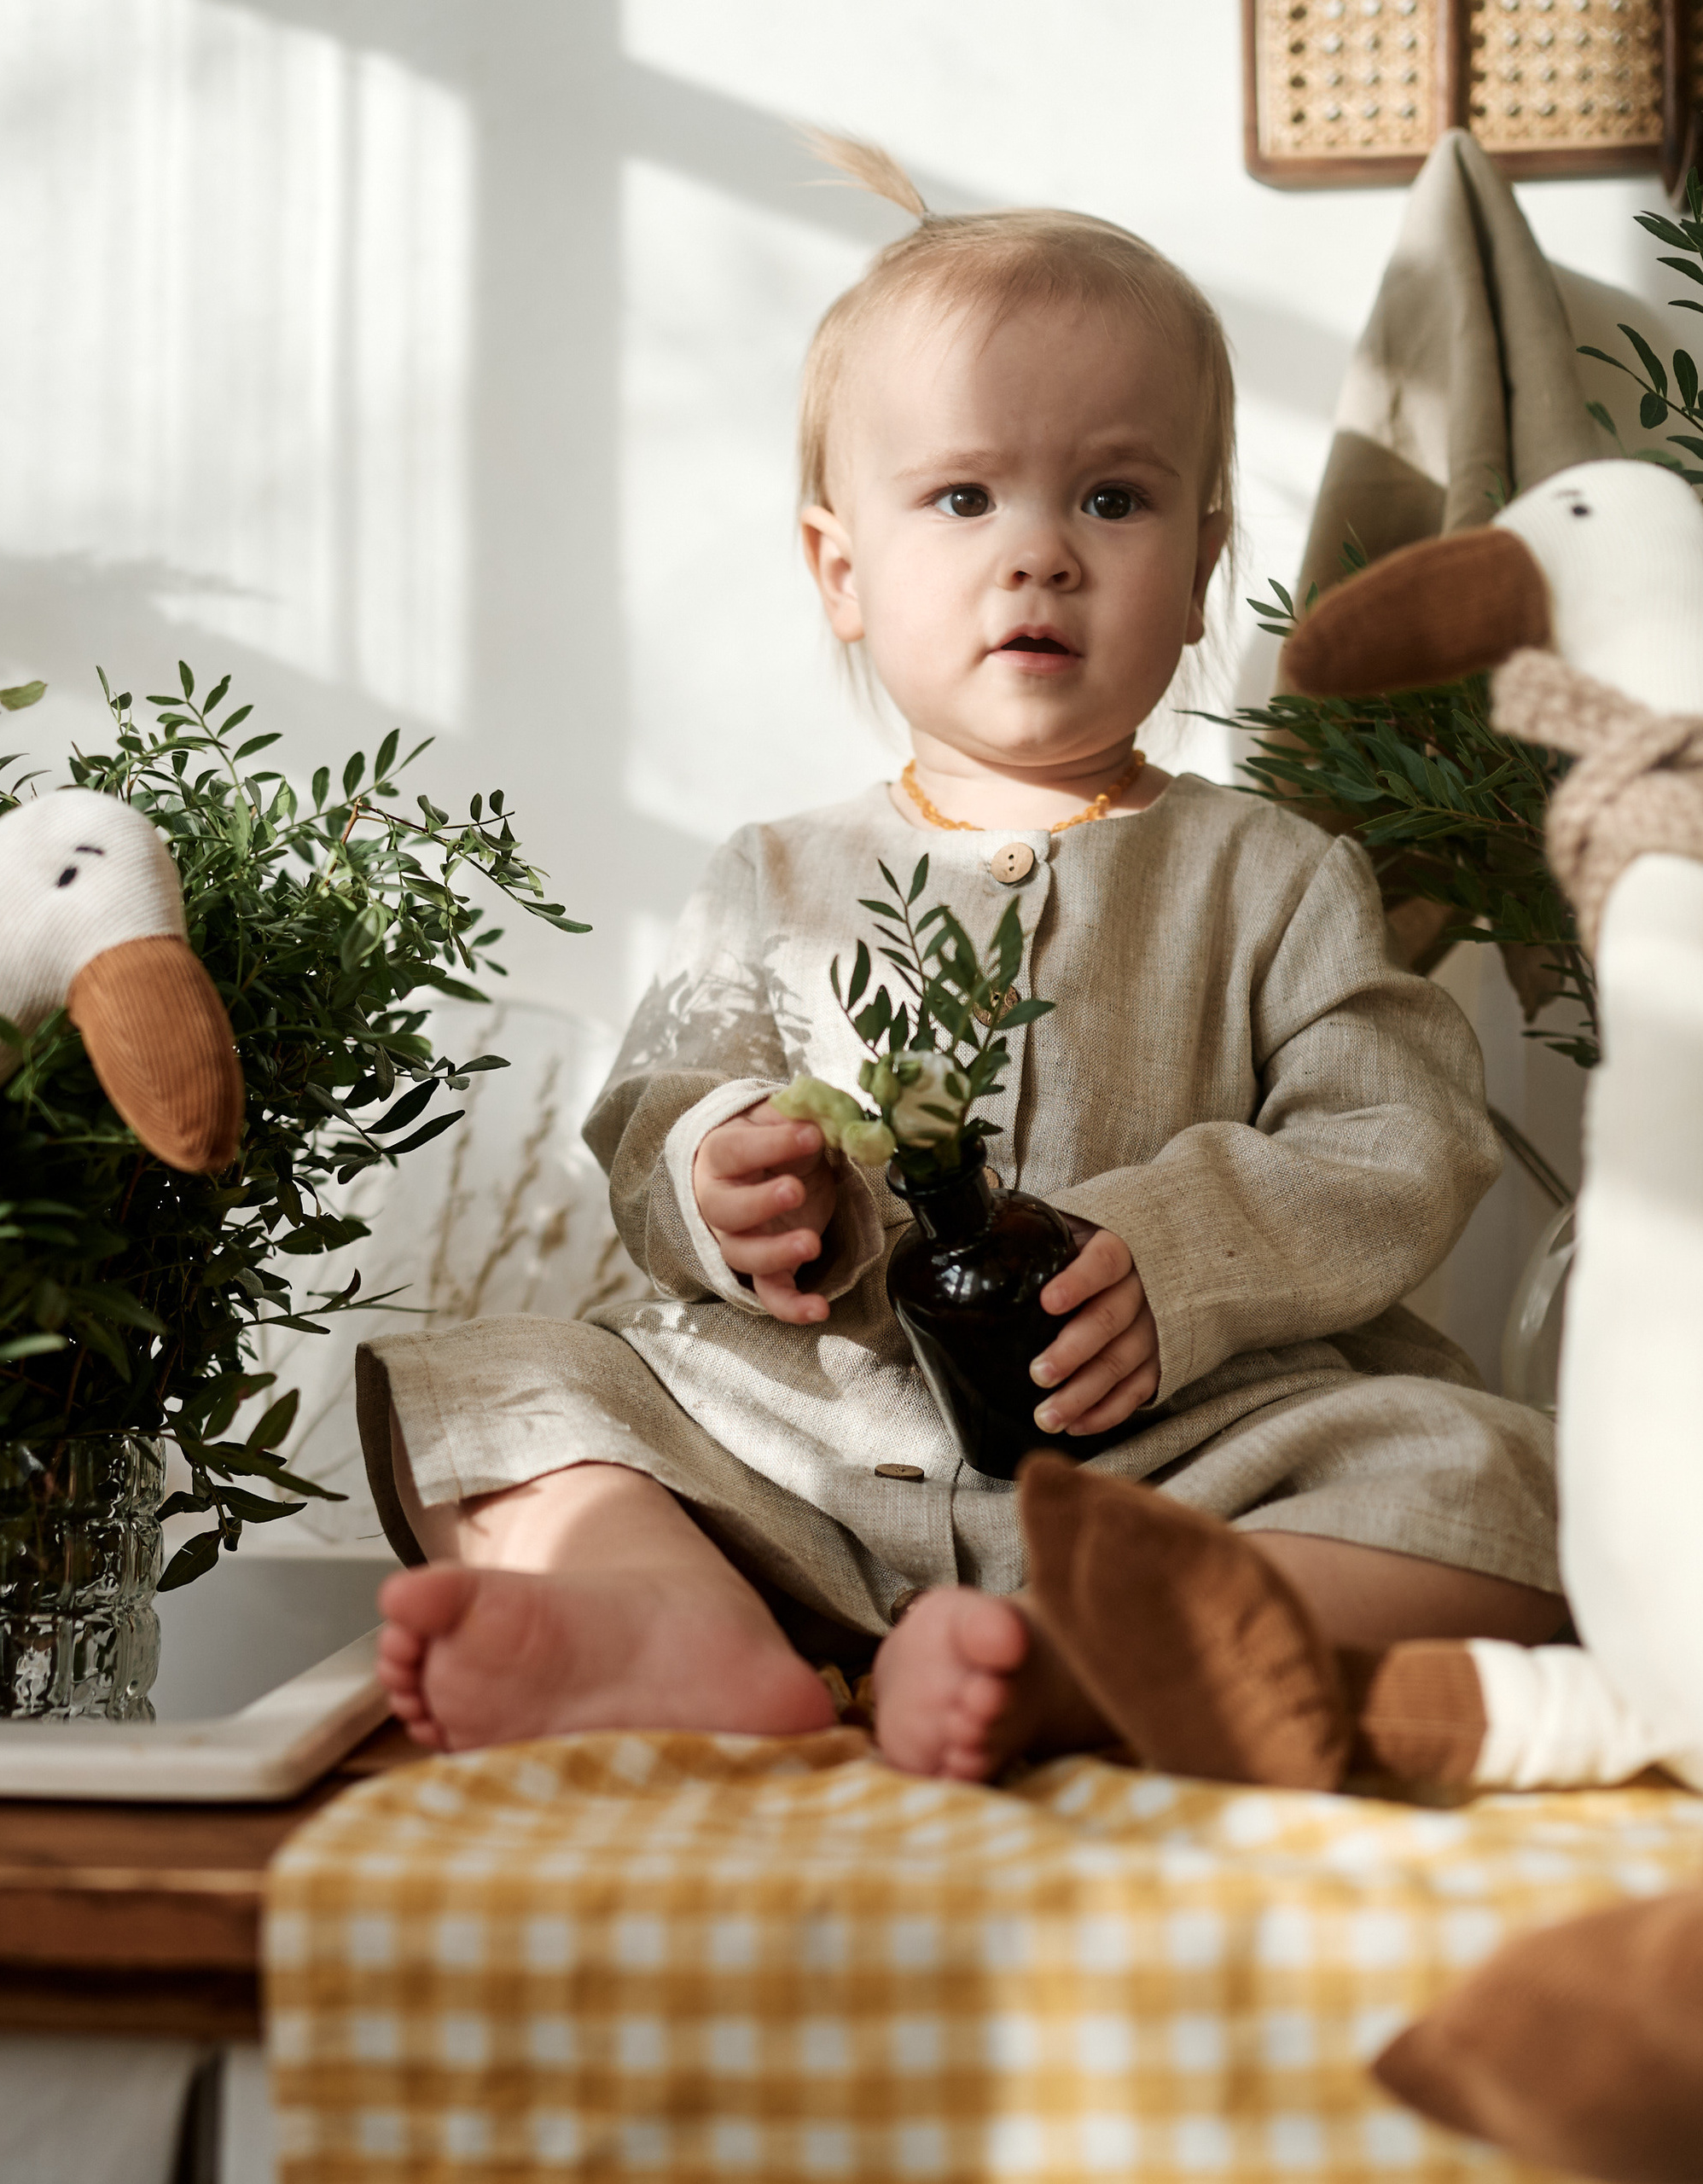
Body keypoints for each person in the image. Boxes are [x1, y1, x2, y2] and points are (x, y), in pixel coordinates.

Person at [367, 142, 1566, 1780]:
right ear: (840, 571)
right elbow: (656, 1111)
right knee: (501, 1387)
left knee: (1498, 1483)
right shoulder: (776, 877)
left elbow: (1399, 1136)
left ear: (1205, 563)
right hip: (798, 1453)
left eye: (1114, 498)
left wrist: (1184, 1257)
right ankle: (677, 1628)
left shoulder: (1272, 871)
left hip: (1178, 1467)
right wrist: (722, 1183)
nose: (1041, 553)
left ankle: (1086, 1656)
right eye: (962, 496)